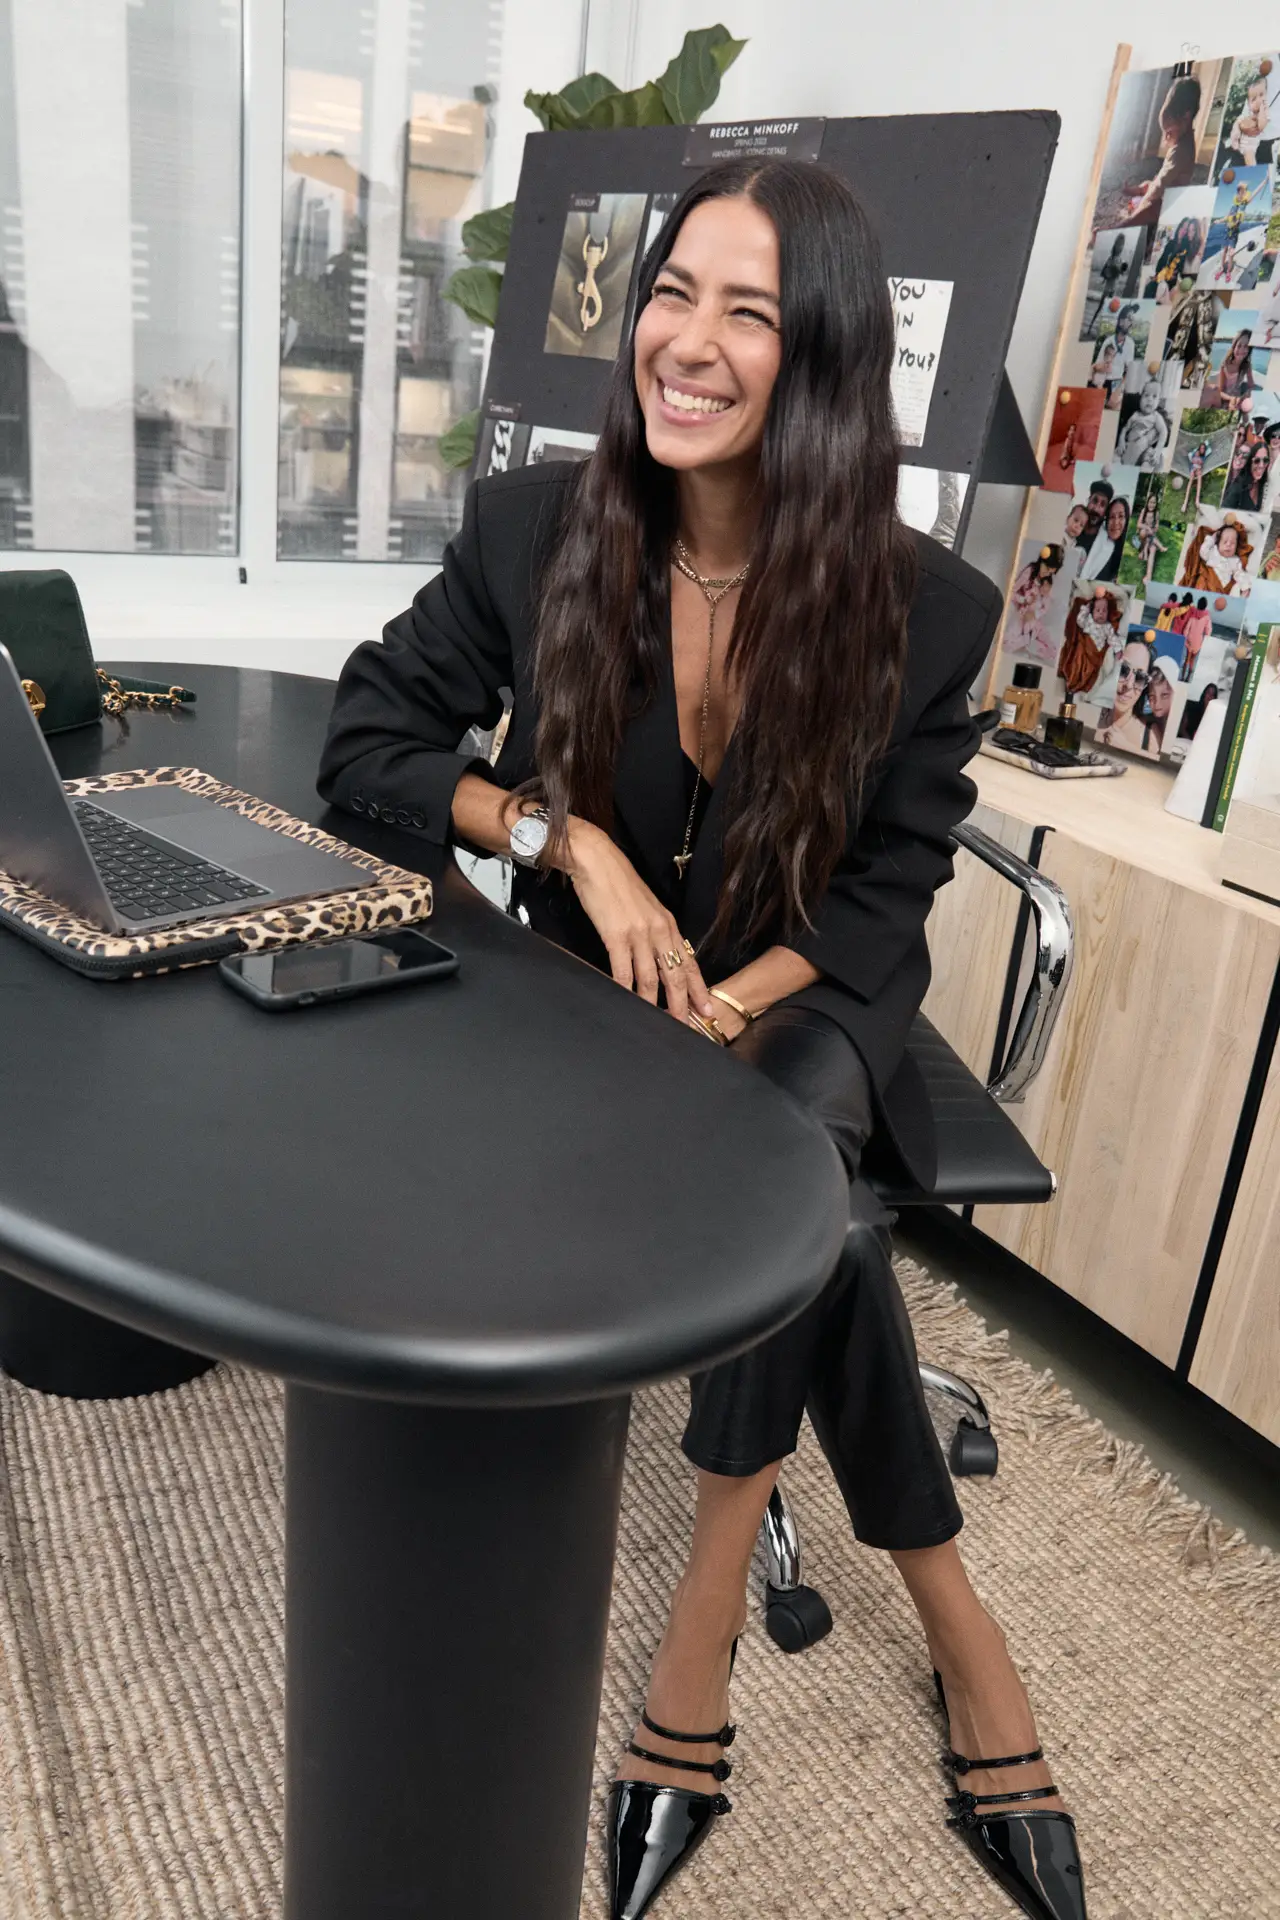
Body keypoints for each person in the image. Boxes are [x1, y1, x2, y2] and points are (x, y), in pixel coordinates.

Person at [317, 159, 1087, 1920]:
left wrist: (727, 1013)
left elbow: (887, 893)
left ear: (821, 358)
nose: (687, 339)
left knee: (789, 1165)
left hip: (806, 996)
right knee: (827, 1224)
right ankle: (957, 1613)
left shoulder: (924, 609)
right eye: (673, 292)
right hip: (593, 999)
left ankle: (700, 1635)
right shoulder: (537, 530)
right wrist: (563, 838)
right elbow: (370, 741)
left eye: (749, 312)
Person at [1125, 74, 1202, 222]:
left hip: (1171, 201)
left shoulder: (1181, 150)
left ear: (1186, 117)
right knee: (1149, 183)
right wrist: (1151, 186)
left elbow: (1162, 184)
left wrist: (1144, 202)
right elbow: (1163, 177)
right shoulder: (1183, 139)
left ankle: (1122, 225)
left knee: (1149, 208)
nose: (1166, 138)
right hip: (1168, 188)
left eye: (1169, 132)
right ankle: (1137, 190)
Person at [1096, 634, 1157, 750]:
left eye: (1140, 677)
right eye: (1123, 670)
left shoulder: (1150, 740)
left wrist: (1127, 747)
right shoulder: (1091, 715)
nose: (1128, 685)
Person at [1006, 543, 1064, 662]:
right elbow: (1010, 591)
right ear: (1042, 560)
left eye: (1051, 572)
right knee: (1008, 642)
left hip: (1035, 621)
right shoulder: (1029, 572)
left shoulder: (1047, 581)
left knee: (1053, 649)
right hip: (1022, 615)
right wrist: (1024, 600)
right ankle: (1027, 642)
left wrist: (1035, 614)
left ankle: (1033, 646)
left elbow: (1046, 605)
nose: (1048, 573)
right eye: (1047, 569)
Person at [1180, 514, 1255, 594]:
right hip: (1207, 580)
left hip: (1220, 590)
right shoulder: (1213, 552)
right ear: (1218, 543)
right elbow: (1203, 552)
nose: (1228, 544)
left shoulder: (1235, 560)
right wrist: (1211, 539)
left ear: (1237, 546)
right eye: (1225, 541)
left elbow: (1240, 574)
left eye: (1233, 543)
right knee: (1201, 583)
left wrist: (1245, 587)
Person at [1115, 378, 1169, 468]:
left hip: (1145, 450)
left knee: (1151, 461)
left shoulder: (1156, 417)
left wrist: (1158, 450)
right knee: (1115, 457)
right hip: (1128, 447)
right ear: (1140, 398)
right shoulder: (1135, 415)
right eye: (1146, 395)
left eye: (1154, 396)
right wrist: (1121, 441)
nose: (1150, 399)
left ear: (1159, 401)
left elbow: (1164, 432)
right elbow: (1125, 429)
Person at [1204, 327, 1257, 410]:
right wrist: (1230, 398)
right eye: (1239, 346)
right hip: (1225, 398)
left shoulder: (1247, 365)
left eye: (1246, 346)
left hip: (1238, 399)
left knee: (1248, 406)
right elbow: (1220, 391)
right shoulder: (1225, 364)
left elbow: (1251, 386)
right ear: (1234, 347)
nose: (1242, 350)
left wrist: (1244, 395)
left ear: (1249, 349)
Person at [1087, 233, 1129, 333]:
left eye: (1122, 245)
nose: (1120, 247)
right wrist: (1107, 275)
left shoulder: (1121, 260)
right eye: (1119, 245)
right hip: (1108, 288)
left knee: (1110, 311)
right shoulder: (1111, 258)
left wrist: (1121, 269)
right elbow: (1105, 272)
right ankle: (1090, 327)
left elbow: (1122, 272)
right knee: (1100, 307)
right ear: (1115, 245)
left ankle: (1104, 330)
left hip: (1114, 288)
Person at [1083, 492, 1130, 581]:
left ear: (1127, 519)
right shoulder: (1097, 543)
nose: (1116, 522)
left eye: (1121, 516)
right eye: (1112, 517)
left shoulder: (1129, 553)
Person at [1223, 438, 1273, 514]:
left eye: (1265, 460)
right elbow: (1223, 514)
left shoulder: (1262, 483)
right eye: (1257, 460)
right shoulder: (1237, 487)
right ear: (1250, 462)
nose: (1261, 465)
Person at [1133, 485, 1168, 583]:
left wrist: (1154, 529)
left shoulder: (1156, 513)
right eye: (1150, 502)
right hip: (1141, 538)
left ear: (1156, 504)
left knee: (1153, 549)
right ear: (1147, 502)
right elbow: (1138, 524)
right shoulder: (1144, 511)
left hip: (1151, 537)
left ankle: (1148, 577)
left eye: (1154, 502)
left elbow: (1156, 526)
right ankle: (1143, 551)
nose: (1152, 504)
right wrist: (1147, 527)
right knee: (1144, 532)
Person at [1181, 596, 1213, 678]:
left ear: (1198, 604)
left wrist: (1185, 636)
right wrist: (1206, 640)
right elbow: (1208, 631)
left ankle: (1182, 677)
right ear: (1205, 606)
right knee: (1192, 660)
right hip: (1198, 642)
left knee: (1187, 660)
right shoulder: (1207, 617)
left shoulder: (1193, 614)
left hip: (1190, 639)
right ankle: (1188, 678)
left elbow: (1187, 628)